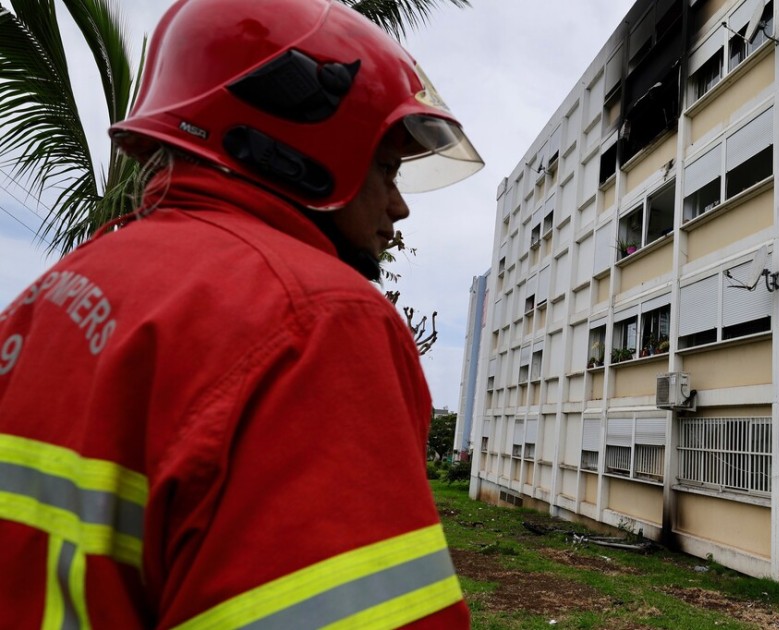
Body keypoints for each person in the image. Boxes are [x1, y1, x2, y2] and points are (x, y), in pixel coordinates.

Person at [0, 0, 483, 626]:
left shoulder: (45, 300)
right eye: (387, 168)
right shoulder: (316, 321)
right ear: (301, 147)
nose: (399, 207)